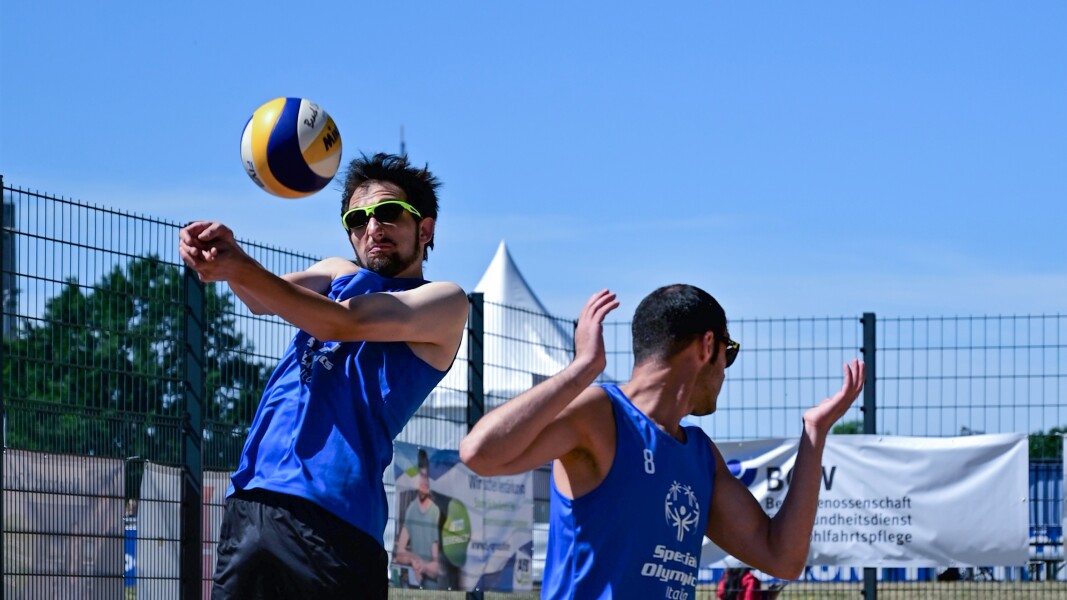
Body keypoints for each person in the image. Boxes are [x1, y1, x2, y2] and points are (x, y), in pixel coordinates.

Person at [178, 153, 469, 599]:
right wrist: (219, 259)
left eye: (388, 214)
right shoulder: (338, 271)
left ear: (425, 229)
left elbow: (341, 323)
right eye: (358, 218)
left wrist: (240, 267)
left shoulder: (445, 302)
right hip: (253, 500)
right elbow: (261, 298)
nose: (372, 227)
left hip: (336, 522)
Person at [460, 285, 864, 599]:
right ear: (708, 346)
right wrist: (582, 369)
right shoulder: (602, 415)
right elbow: (480, 453)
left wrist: (815, 434)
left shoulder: (700, 454)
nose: (726, 371)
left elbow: (783, 558)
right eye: (730, 352)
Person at [392, 448, 442, 589]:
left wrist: (423, 567)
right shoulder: (411, 510)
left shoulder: (435, 512)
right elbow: (399, 553)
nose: (423, 482)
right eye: (421, 476)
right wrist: (414, 559)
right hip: (414, 578)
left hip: (430, 582)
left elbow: (437, 567)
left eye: (426, 477)